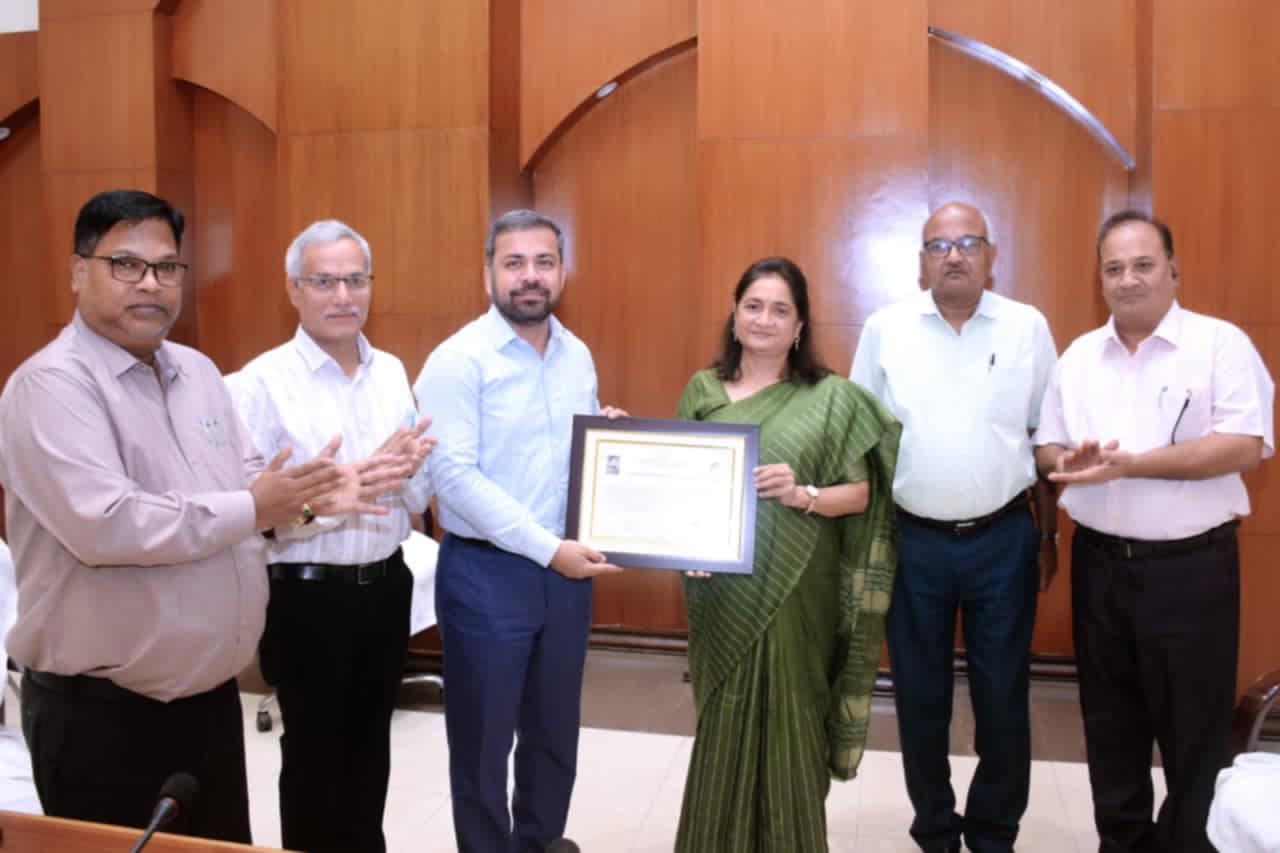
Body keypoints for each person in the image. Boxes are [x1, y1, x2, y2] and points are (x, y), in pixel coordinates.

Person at [0, 190, 402, 842]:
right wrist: (260, 503)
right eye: (125, 264)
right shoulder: (50, 386)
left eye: (166, 267)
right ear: (77, 272)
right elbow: (109, 524)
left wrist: (311, 497)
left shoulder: (198, 371)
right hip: (104, 713)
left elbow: (250, 484)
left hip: (208, 701)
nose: (149, 283)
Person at [1034, 210, 1274, 853]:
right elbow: (1047, 446)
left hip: (1191, 573)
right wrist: (1067, 461)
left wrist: (1135, 465)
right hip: (1101, 570)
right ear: (1100, 279)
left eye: (1143, 265)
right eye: (1114, 268)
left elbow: (1245, 444)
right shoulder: (1079, 357)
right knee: (1110, 729)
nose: (1128, 279)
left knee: (1194, 735)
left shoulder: (1220, 345)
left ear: (1173, 270)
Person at [413, 209, 624, 852]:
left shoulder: (576, 354)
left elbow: (567, 455)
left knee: (554, 734)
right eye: (514, 263)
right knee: (483, 744)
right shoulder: (458, 361)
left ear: (562, 272)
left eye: (544, 262)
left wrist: (609, 440)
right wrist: (547, 549)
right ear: (488, 275)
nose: (530, 276)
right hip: (487, 574)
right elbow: (454, 479)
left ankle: (538, 843)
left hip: (565, 576)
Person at [850, 202, 1059, 852]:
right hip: (913, 541)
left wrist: (1048, 537)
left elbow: (1047, 436)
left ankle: (994, 832)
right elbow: (859, 436)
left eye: (968, 242)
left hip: (1003, 538)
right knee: (920, 695)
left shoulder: (1027, 327)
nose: (955, 255)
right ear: (922, 261)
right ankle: (936, 828)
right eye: (939, 245)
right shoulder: (885, 329)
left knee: (1003, 693)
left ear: (991, 254)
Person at [675, 257, 900, 852]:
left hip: (799, 589)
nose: (764, 319)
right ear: (734, 315)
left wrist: (804, 494)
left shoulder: (831, 398)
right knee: (724, 717)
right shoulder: (702, 390)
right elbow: (680, 485)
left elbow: (860, 495)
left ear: (799, 325)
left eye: (781, 310)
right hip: (720, 590)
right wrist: (685, 547)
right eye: (753, 306)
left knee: (792, 719)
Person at [229, 219, 434, 853]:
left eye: (355, 280)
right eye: (324, 281)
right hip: (307, 596)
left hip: (386, 585)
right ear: (293, 289)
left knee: (371, 751)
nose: (343, 295)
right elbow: (245, 511)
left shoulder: (391, 370)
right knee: (316, 763)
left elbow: (412, 492)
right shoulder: (259, 383)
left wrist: (410, 469)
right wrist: (322, 500)